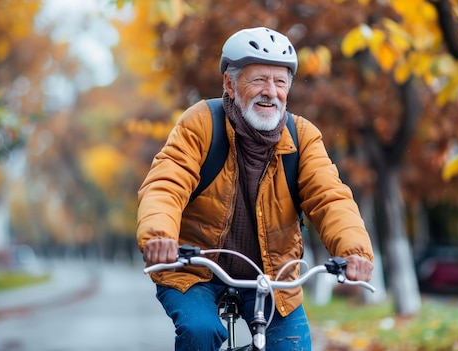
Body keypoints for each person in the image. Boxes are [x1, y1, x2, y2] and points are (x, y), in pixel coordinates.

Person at [137, 26, 374, 351]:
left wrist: (354, 252)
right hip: (194, 269)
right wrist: (159, 236)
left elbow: (330, 198)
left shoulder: (302, 137)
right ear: (230, 84)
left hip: (272, 275)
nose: (271, 92)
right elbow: (166, 184)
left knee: (292, 345)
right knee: (200, 330)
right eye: (259, 80)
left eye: (280, 82)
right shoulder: (201, 124)